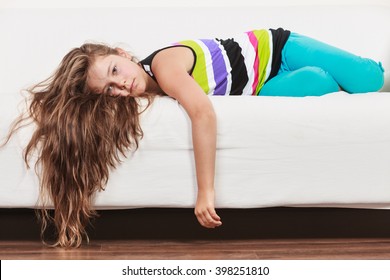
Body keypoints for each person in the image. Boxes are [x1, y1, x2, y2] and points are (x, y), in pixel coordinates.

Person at [2, 27, 384, 248]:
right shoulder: (143, 88)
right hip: (263, 83)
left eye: (116, 70)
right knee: (318, 82)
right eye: (109, 91)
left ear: (122, 53)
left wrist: (205, 192)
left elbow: (202, 112)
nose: (121, 85)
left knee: (366, 78)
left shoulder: (165, 66)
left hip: (278, 48)